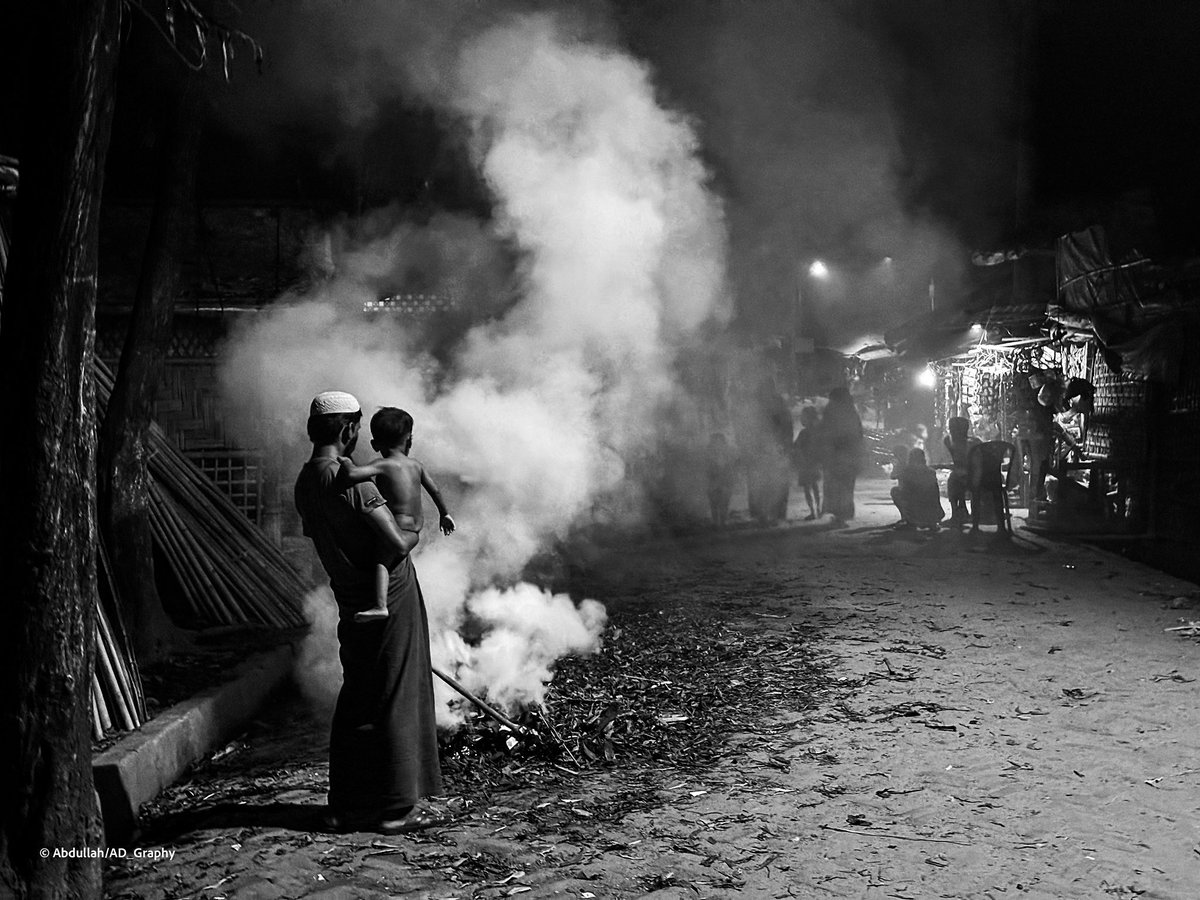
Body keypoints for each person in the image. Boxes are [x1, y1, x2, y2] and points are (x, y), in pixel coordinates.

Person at [294, 391, 444, 835]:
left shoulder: (305, 481)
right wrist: (416, 532)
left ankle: (345, 805)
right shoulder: (355, 484)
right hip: (387, 597)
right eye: (357, 427)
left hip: (349, 595)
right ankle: (396, 807)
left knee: (358, 694)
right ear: (348, 430)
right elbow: (395, 545)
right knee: (395, 692)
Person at [337, 407, 456, 623]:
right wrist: (444, 514)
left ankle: (380, 605)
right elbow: (435, 490)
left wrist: (345, 461)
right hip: (414, 531)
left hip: (397, 532)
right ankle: (381, 605)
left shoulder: (382, 464)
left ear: (374, 445)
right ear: (409, 440)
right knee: (386, 556)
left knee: (381, 560)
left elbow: (353, 474)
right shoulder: (416, 466)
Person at [820, 386, 864, 523]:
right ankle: (843, 512)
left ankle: (838, 512)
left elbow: (825, 431)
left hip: (839, 455)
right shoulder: (851, 411)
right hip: (846, 455)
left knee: (838, 485)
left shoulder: (833, 410)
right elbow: (858, 434)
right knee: (845, 486)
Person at [890, 448, 945, 531]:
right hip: (934, 514)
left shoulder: (907, 471)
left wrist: (898, 466)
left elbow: (893, 477)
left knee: (895, 491)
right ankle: (931, 522)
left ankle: (909, 520)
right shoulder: (931, 471)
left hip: (916, 513)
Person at [943, 415, 980, 524]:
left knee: (954, 480)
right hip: (962, 473)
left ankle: (957, 514)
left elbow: (977, 464)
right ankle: (959, 511)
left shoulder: (973, 443)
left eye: (954, 429)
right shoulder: (949, 441)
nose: (952, 432)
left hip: (976, 475)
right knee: (955, 477)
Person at [792, 406, 823, 520]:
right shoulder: (817, 432)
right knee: (815, 487)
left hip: (806, 464)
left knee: (808, 488)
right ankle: (818, 510)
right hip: (814, 463)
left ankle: (813, 511)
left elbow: (796, 447)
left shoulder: (804, 433)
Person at [704, 432, 737, 527]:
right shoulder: (708, 455)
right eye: (715, 442)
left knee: (724, 503)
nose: (718, 444)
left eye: (720, 442)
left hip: (725, 483)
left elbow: (731, 469)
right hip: (713, 483)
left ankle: (722, 522)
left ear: (723, 443)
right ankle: (715, 523)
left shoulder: (728, 455)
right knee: (714, 504)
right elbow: (707, 471)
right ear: (712, 443)